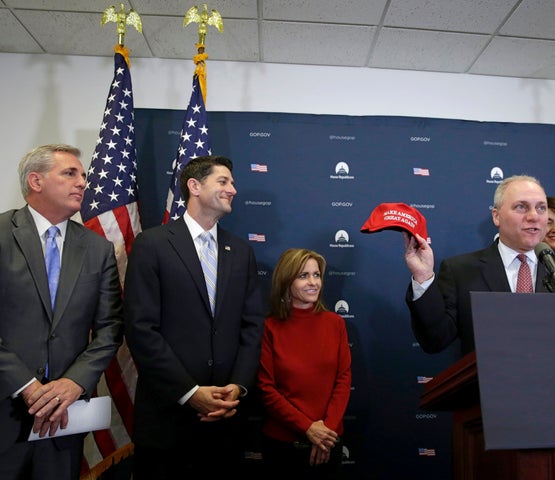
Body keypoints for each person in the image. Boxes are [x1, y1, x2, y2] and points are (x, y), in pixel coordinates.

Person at [123, 155, 265, 479]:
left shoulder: (241, 251)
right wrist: (190, 392)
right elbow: (141, 328)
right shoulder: (153, 244)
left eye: (232, 182)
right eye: (224, 181)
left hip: (226, 420)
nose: (233, 189)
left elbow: (252, 325)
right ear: (194, 186)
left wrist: (238, 387)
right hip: (168, 420)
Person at [0, 144, 123, 479]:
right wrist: (27, 385)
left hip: (65, 420)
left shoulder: (97, 249)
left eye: (83, 175)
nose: (82, 182)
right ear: (35, 181)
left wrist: (73, 382)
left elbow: (110, 328)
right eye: (70, 173)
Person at [403, 175, 555, 355]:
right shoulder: (460, 271)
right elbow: (434, 341)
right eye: (521, 207)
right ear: (496, 216)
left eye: (541, 208)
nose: (534, 216)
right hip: (487, 392)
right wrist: (423, 278)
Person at [257, 248, 351, 479]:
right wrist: (309, 429)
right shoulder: (269, 327)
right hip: (283, 446)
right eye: (303, 276)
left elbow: (343, 379)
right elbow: (266, 389)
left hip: (329, 442)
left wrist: (325, 433)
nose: (313, 282)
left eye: (316, 275)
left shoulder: (335, 323)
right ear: (286, 281)